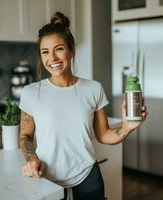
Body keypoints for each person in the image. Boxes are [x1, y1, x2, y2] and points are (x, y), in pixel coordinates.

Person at [19, 12, 148, 200]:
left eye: (59, 49)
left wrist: (127, 127)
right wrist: (31, 158)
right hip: (46, 180)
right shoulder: (31, 93)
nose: (52, 58)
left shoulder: (93, 89)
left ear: (71, 51)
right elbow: (25, 135)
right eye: (45, 52)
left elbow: (103, 135)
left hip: (88, 178)